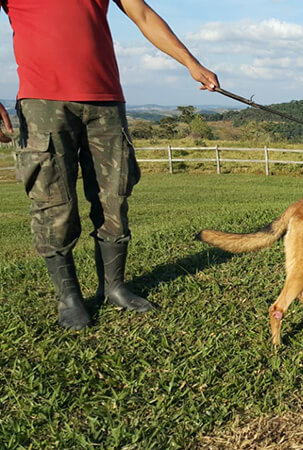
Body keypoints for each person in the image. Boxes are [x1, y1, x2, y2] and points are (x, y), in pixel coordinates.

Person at [0, 0, 219, 330]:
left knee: (114, 198)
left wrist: (191, 63)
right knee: (53, 202)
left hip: (106, 102)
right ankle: (69, 298)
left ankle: (114, 287)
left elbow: (142, 15)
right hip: (42, 101)